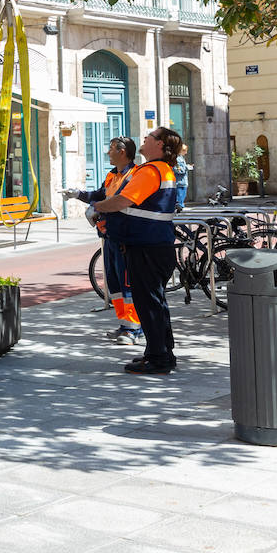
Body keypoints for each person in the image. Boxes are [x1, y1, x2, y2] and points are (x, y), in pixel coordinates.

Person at [93, 127, 182, 374]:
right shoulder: (162, 169)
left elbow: (124, 200)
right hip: (155, 245)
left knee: (149, 304)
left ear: (161, 145)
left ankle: (158, 358)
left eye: (150, 136)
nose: (145, 138)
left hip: (145, 247)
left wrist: (98, 207)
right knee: (155, 302)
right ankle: (161, 353)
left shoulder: (151, 170)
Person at [63, 137, 141, 344]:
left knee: (127, 283)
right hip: (109, 236)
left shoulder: (135, 175)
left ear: (122, 152)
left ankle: (134, 328)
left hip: (124, 236)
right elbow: (100, 195)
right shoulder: (112, 176)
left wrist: (98, 209)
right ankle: (125, 323)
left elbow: (122, 203)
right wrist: (78, 194)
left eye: (111, 149)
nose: (108, 153)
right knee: (114, 282)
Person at [174, 143, 190, 210]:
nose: (186, 153)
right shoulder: (177, 159)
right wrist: (187, 167)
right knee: (179, 204)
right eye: (185, 150)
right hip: (179, 183)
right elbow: (178, 170)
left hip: (182, 182)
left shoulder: (180, 158)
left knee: (181, 201)